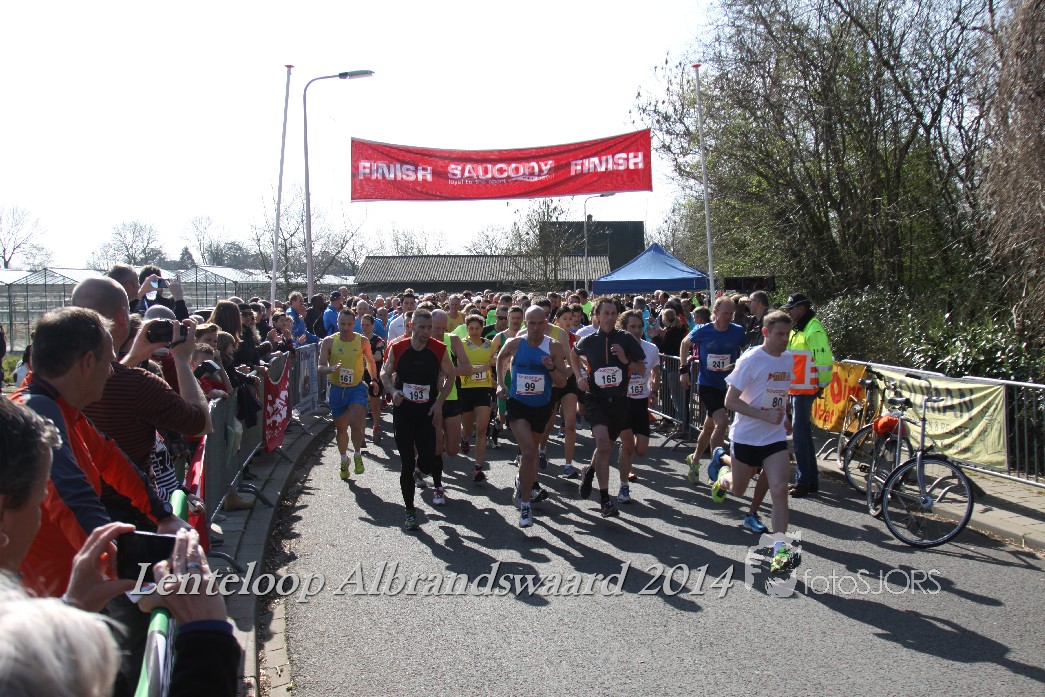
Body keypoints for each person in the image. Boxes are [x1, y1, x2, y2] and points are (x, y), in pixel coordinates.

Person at [708, 310, 800, 573]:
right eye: (780, 334)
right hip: (746, 437)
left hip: (774, 437)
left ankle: (780, 552)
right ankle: (723, 474)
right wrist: (763, 415)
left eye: (788, 334)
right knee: (738, 489)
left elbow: (779, 394)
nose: (785, 339)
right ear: (765, 333)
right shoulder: (751, 360)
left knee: (780, 490)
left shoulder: (788, 359)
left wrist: (784, 417)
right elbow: (730, 401)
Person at [381, 309, 456, 529]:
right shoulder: (398, 348)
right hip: (404, 411)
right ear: (412, 326)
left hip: (427, 413)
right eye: (422, 327)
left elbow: (451, 376)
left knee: (427, 461)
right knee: (406, 463)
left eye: (429, 327)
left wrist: (439, 403)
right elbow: (385, 373)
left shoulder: (439, 349)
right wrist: (393, 391)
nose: (426, 331)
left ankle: (420, 470)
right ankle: (410, 511)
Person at [496, 306, 569, 527]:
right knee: (528, 451)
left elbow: (562, 382)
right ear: (525, 323)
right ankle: (526, 506)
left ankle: (522, 480)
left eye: (540, 323)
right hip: (518, 405)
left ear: (546, 323)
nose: (536, 328)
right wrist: (500, 384)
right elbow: (500, 359)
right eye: (531, 323)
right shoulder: (515, 343)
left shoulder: (553, 346)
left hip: (542, 406)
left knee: (532, 454)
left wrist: (551, 367)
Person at [572, 299, 646, 518]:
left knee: (606, 448)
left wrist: (625, 360)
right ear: (596, 315)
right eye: (606, 313)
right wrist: (579, 377)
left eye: (614, 313)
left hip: (620, 401)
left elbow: (642, 369)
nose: (610, 317)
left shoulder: (626, 339)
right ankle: (605, 499)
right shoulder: (588, 340)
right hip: (596, 400)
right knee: (603, 444)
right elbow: (573, 355)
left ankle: (589, 471)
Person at [679, 297, 748, 483]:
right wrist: (683, 370)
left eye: (730, 314)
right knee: (722, 423)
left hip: (727, 386)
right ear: (715, 313)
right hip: (707, 385)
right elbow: (684, 344)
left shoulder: (737, 331)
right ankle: (715, 467)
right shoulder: (703, 330)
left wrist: (743, 369)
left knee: (710, 427)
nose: (727, 317)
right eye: (724, 313)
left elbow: (747, 351)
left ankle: (694, 460)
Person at [781, 293, 834, 497]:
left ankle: (804, 481)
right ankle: (809, 480)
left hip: (806, 388)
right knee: (802, 436)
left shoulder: (813, 328)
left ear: (802, 308)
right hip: (799, 387)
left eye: (791, 308)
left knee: (800, 436)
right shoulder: (800, 328)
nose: (789, 311)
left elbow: (823, 359)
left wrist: (821, 384)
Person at [318, 308, 378, 480]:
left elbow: (370, 361)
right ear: (337, 323)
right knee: (341, 428)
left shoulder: (362, 341)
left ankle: (357, 454)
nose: (345, 327)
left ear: (354, 324)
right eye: (342, 324)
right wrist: (329, 369)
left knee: (356, 423)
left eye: (349, 324)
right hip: (337, 389)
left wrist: (374, 380)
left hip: (356, 388)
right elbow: (320, 366)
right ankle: (344, 459)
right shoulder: (329, 341)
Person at [616, 309, 661, 500]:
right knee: (628, 445)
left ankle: (627, 456)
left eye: (639, 327)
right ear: (624, 328)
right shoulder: (617, 349)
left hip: (641, 402)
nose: (636, 330)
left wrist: (654, 390)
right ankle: (623, 486)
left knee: (641, 450)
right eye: (632, 327)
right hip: (622, 401)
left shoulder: (651, 349)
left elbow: (656, 372)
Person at [458, 315, 496, 481]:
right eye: (471, 328)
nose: (474, 331)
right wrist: (480, 368)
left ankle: (478, 467)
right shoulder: (462, 345)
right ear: (466, 329)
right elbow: (459, 367)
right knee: (468, 429)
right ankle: (465, 438)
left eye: (477, 328)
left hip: (484, 389)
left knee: (481, 430)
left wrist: (495, 375)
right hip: (466, 389)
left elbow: (492, 362)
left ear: (482, 328)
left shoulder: (489, 344)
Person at [359, 314, 386, 446]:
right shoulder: (358, 340)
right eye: (362, 325)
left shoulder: (378, 341)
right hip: (360, 377)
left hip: (374, 376)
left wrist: (363, 359)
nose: (364, 327)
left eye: (367, 325)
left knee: (374, 405)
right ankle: (362, 435)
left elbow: (378, 356)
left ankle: (376, 427)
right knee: (361, 406)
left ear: (373, 325)